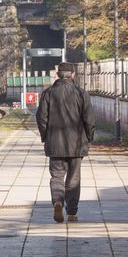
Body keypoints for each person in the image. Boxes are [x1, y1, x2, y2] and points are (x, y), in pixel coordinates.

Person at [35, 62, 96, 223]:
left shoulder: (48, 93)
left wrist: (45, 136)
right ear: (73, 74)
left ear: (57, 74)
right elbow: (89, 119)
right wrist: (89, 137)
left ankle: (57, 201)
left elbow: (41, 118)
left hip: (55, 143)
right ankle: (72, 212)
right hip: (76, 143)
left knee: (57, 176)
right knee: (73, 178)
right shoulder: (81, 93)